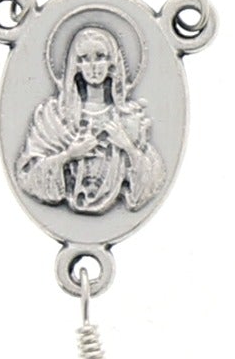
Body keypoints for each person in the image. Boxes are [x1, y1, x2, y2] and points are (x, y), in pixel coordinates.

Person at [16, 19, 165, 216]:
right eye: (85, 59)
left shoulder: (128, 119)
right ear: (76, 65)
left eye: (100, 57)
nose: (93, 66)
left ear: (112, 64)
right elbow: (27, 174)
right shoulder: (54, 116)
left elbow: (154, 179)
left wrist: (127, 146)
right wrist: (68, 155)